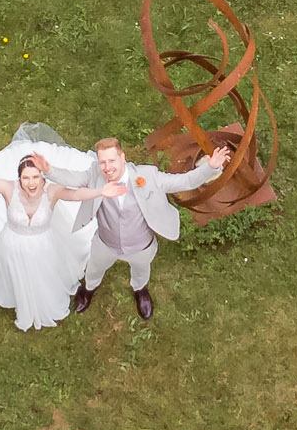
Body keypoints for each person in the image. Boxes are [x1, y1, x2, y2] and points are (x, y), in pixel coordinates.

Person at [0, 138, 122, 330]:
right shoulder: (8, 188)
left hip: (43, 246)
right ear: (19, 179)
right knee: (18, 277)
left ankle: (43, 300)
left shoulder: (52, 191)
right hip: (12, 246)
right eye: (26, 178)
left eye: (35, 177)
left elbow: (76, 195)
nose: (31, 183)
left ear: (42, 177)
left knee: (43, 277)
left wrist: (101, 192)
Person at [44, 136, 229, 321]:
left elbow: (185, 181)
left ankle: (140, 290)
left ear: (123, 157)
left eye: (111, 161)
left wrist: (210, 167)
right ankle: (88, 289)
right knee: (94, 268)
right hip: (105, 243)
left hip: (141, 246)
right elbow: (71, 178)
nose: (107, 167)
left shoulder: (149, 176)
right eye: (102, 162)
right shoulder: (94, 174)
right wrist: (48, 170)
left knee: (141, 270)